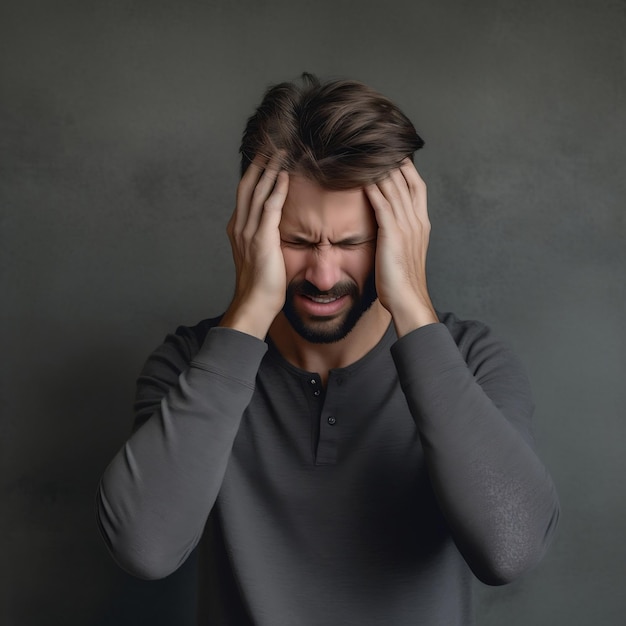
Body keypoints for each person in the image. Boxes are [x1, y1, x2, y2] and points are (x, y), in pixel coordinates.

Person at [97, 73, 559, 625]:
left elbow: (510, 552)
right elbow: (144, 549)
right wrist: (245, 317)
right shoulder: (190, 363)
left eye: (352, 243)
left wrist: (414, 305)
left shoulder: (470, 358)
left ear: (400, 236)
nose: (323, 274)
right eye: (295, 241)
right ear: (251, 233)